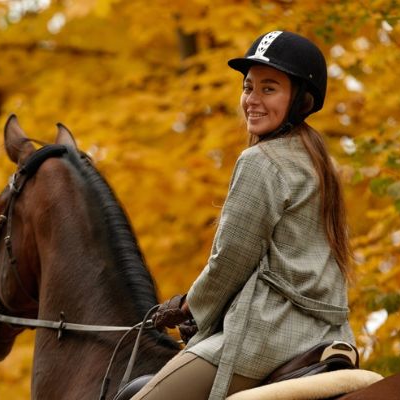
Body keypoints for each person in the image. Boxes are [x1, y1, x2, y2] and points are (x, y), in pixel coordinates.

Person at [130, 30, 355, 400]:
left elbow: (230, 262)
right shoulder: (322, 161)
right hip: (332, 336)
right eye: (248, 87)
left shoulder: (260, 162)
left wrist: (190, 307)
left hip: (268, 337)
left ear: (301, 100)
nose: (251, 100)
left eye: (269, 89)